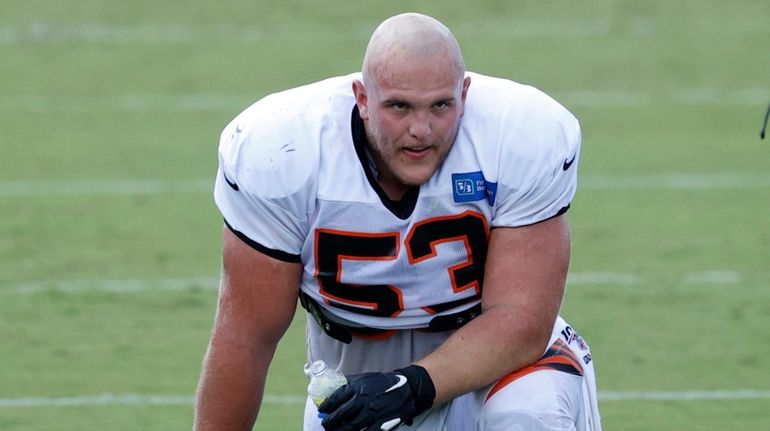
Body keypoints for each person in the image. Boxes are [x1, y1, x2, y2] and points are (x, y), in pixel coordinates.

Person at [194, 12, 602, 431]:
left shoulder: (517, 137)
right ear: (363, 98)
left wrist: (414, 385)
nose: (421, 130)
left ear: (465, 93)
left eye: (441, 105)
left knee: (526, 416)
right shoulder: (282, 153)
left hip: (500, 358)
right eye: (399, 107)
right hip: (356, 370)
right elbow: (247, 338)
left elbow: (522, 320)